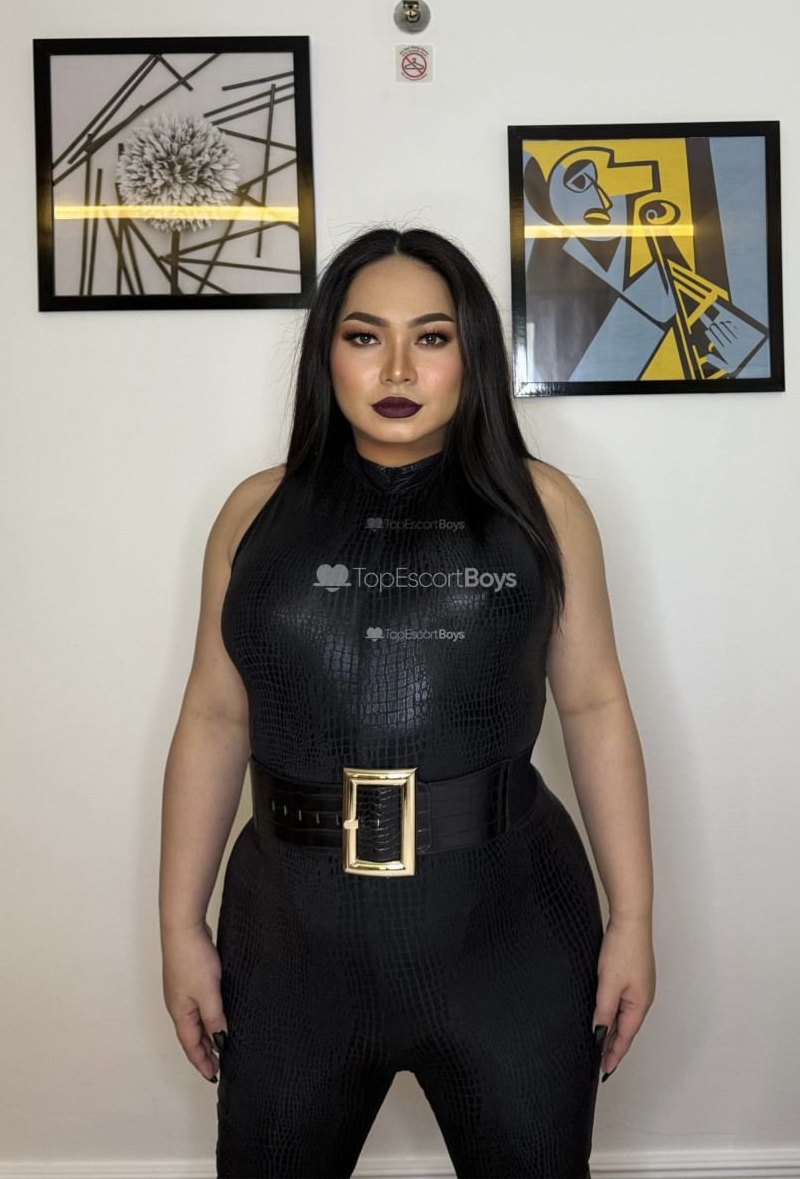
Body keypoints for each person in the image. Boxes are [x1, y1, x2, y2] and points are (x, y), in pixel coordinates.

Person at [158, 226, 656, 1179]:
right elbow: (215, 718)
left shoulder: (543, 507)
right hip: (289, 942)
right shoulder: (252, 513)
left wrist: (633, 917)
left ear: (473, 353)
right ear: (326, 354)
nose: (396, 369)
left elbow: (594, 707)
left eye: (431, 337)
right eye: (364, 336)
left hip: (510, 936)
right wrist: (179, 926)